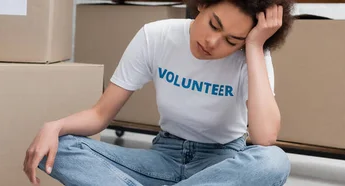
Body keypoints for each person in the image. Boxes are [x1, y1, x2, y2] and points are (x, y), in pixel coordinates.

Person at [22, 0, 295, 185]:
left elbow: (264, 137)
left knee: (273, 161)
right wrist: (55, 127)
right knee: (61, 148)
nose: (213, 42)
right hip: (162, 158)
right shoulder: (156, 36)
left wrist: (256, 47)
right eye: (213, 24)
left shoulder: (252, 56)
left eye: (232, 40)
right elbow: (100, 114)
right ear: (202, 4)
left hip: (221, 167)